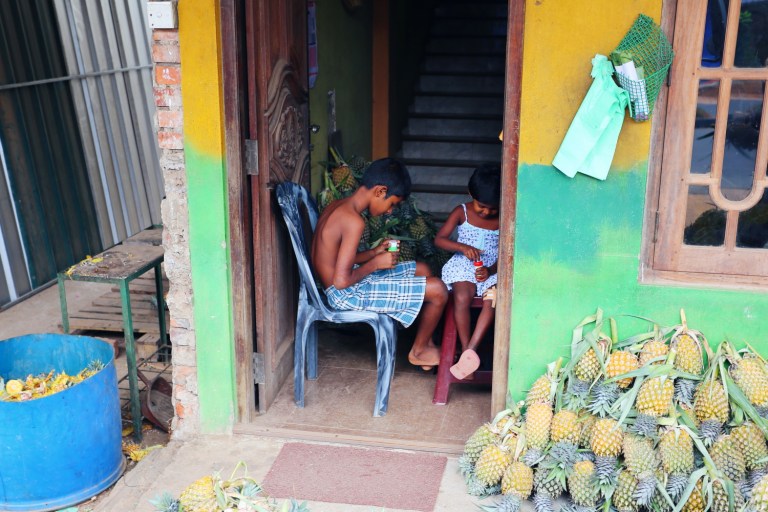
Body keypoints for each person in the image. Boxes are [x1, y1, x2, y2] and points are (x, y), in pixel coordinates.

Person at [312, 157, 448, 369]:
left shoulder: (339, 207)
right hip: (345, 295)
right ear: (379, 191)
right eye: (392, 203)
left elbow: (337, 261)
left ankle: (426, 341)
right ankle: (419, 351)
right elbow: (340, 281)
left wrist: (374, 253)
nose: (390, 211)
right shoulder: (353, 221)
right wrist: (375, 264)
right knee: (438, 290)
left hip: (345, 284)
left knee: (423, 269)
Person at [434, 163, 501, 380]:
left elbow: (509, 252)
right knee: (462, 296)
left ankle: (470, 352)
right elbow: (440, 240)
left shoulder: (504, 218)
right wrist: (462, 247)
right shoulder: (461, 211)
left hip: (492, 267)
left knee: (492, 297)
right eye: (482, 206)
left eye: (493, 208)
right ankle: (465, 349)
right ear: (471, 194)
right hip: (464, 265)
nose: (487, 211)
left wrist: (490, 270)